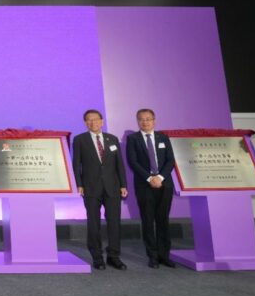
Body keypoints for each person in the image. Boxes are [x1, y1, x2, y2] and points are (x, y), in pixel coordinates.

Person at [71, 109, 128, 270]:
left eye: (95, 119)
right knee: (94, 223)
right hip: (90, 187)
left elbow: (119, 164)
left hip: (113, 187)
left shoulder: (112, 139)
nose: (93, 122)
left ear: (102, 121)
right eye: (89, 120)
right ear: (85, 123)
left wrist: (123, 185)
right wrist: (79, 184)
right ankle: (97, 257)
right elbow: (76, 165)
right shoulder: (80, 140)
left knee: (114, 223)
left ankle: (113, 256)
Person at [125, 109, 176, 269]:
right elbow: (133, 162)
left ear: (154, 121)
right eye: (141, 119)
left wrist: (160, 178)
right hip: (144, 185)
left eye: (148, 119)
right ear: (137, 121)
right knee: (148, 221)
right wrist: (149, 178)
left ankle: (164, 256)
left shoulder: (163, 137)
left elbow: (170, 160)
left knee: (163, 220)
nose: (145, 122)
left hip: (164, 184)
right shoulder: (133, 139)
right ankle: (152, 256)